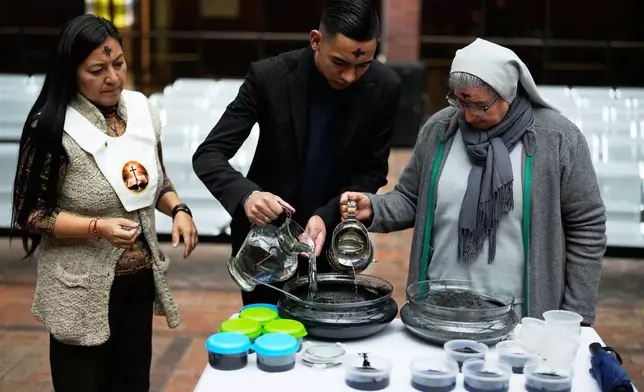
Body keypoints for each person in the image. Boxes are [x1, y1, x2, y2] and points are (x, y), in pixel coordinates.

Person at [340, 38, 606, 325]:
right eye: (459, 100)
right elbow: (412, 197)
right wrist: (375, 208)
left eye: (478, 105)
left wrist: (576, 315)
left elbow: (587, 227)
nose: (466, 115)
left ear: (507, 93)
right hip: (439, 308)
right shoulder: (440, 130)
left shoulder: (557, 139)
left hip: (521, 318)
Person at [10, 14, 198, 392]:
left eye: (118, 64)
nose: (112, 77)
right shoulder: (52, 126)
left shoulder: (142, 112)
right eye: (97, 69)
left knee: (132, 383)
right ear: (71, 72)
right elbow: (30, 215)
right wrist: (98, 228)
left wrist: (179, 209)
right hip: (78, 290)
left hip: (137, 283)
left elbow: (154, 180)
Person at [193, 0, 401, 305]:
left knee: (330, 339)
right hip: (265, 244)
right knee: (269, 340)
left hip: (332, 242)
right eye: (340, 63)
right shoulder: (269, 76)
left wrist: (327, 216)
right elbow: (209, 154)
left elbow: (372, 171)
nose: (350, 76)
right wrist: (247, 195)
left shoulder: (385, 86)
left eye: (362, 64)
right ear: (315, 40)